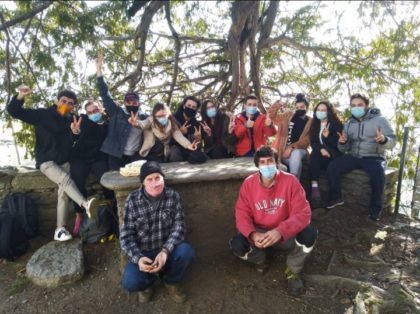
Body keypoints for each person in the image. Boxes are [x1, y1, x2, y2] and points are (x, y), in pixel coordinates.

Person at [7, 86, 98, 241]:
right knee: (66, 180)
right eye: (63, 101)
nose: (66, 105)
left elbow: (75, 137)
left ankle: (60, 229)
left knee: (63, 193)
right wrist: (21, 95)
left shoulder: (71, 119)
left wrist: (76, 133)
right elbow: (15, 112)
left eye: (70, 103)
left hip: (64, 161)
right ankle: (85, 204)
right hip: (46, 161)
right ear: (57, 101)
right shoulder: (42, 115)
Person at [229, 146, 317, 296]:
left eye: (270, 161)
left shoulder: (291, 181)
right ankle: (261, 260)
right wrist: (253, 235)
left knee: (309, 234)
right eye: (262, 162)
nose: (267, 165)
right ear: (257, 166)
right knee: (237, 244)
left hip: (285, 234)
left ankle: (293, 270)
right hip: (260, 236)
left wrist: (280, 231)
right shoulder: (248, 184)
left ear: (277, 162)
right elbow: (242, 215)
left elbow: (303, 213)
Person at [120, 161, 195, 303]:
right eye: (149, 179)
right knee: (129, 282)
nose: (155, 183)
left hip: (167, 249)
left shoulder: (173, 196)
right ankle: (147, 285)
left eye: (157, 178)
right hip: (144, 252)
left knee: (186, 252)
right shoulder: (132, 200)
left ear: (163, 179)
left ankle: (171, 281)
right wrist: (138, 258)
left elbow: (179, 227)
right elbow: (126, 236)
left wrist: (165, 251)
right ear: (142, 183)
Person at [326, 93, 396, 221]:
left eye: (359, 105)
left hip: (373, 156)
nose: (356, 108)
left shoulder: (380, 120)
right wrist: (343, 142)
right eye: (353, 106)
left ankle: (375, 211)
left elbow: (393, 141)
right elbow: (344, 148)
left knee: (378, 175)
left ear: (366, 106)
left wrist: (384, 139)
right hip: (353, 156)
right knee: (333, 166)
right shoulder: (349, 123)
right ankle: (336, 198)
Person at [70, 99, 115, 236]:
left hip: (98, 158)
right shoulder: (83, 121)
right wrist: (75, 132)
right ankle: (79, 214)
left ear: (100, 109)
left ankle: (111, 209)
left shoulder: (108, 123)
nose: (93, 114)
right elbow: (74, 135)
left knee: (106, 180)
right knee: (77, 182)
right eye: (89, 112)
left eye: (95, 111)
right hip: (80, 158)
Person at [95, 54, 148, 170]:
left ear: (139, 104)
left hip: (135, 156)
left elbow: (158, 121)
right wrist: (99, 71)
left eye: (134, 103)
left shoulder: (144, 117)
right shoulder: (117, 112)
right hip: (115, 154)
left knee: (136, 182)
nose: (132, 104)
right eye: (128, 102)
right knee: (115, 182)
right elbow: (105, 94)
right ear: (124, 103)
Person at [128, 102, 199, 162]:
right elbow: (143, 124)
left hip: (163, 154)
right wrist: (136, 123)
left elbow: (178, 136)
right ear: (154, 116)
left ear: (168, 114)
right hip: (148, 153)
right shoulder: (150, 120)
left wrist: (188, 145)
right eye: (159, 116)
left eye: (164, 115)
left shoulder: (172, 123)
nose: (162, 118)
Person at [308, 101, 343, 208]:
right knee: (314, 155)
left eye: (323, 110)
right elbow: (313, 142)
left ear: (329, 112)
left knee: (315, 156)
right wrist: (322, 149)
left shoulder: (336, 124)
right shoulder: (315, 123)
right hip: (320, 155)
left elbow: (339, 145)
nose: (320, 112)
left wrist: (327, 138)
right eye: (318, 110)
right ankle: (315, 190)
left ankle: (325, 194)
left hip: (333, 156)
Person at [268, 93, 312, 178]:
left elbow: (306, 141)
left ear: (307, 107)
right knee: (294, 164)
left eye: (302, 107)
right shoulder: (288, 115)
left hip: (299, 150)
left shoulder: (310, 121)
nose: (299, 109)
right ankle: (295, 184)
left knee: (296, 153)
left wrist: (292, 148)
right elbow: (271, 116)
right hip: (282, 151)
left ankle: (292, 183)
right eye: (297, 107)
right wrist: (278, 104)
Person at [170, 96, 206, 163]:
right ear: (184, 106)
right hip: (176, 151)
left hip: (190, 151)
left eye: (193, 107)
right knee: (174, 151)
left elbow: (198, 147)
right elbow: (167, 141)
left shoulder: (196, 124)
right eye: (188, 105)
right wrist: (180, 133)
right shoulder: (173, 119)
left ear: (196, 109)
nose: (190, 108)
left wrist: (198, 139)